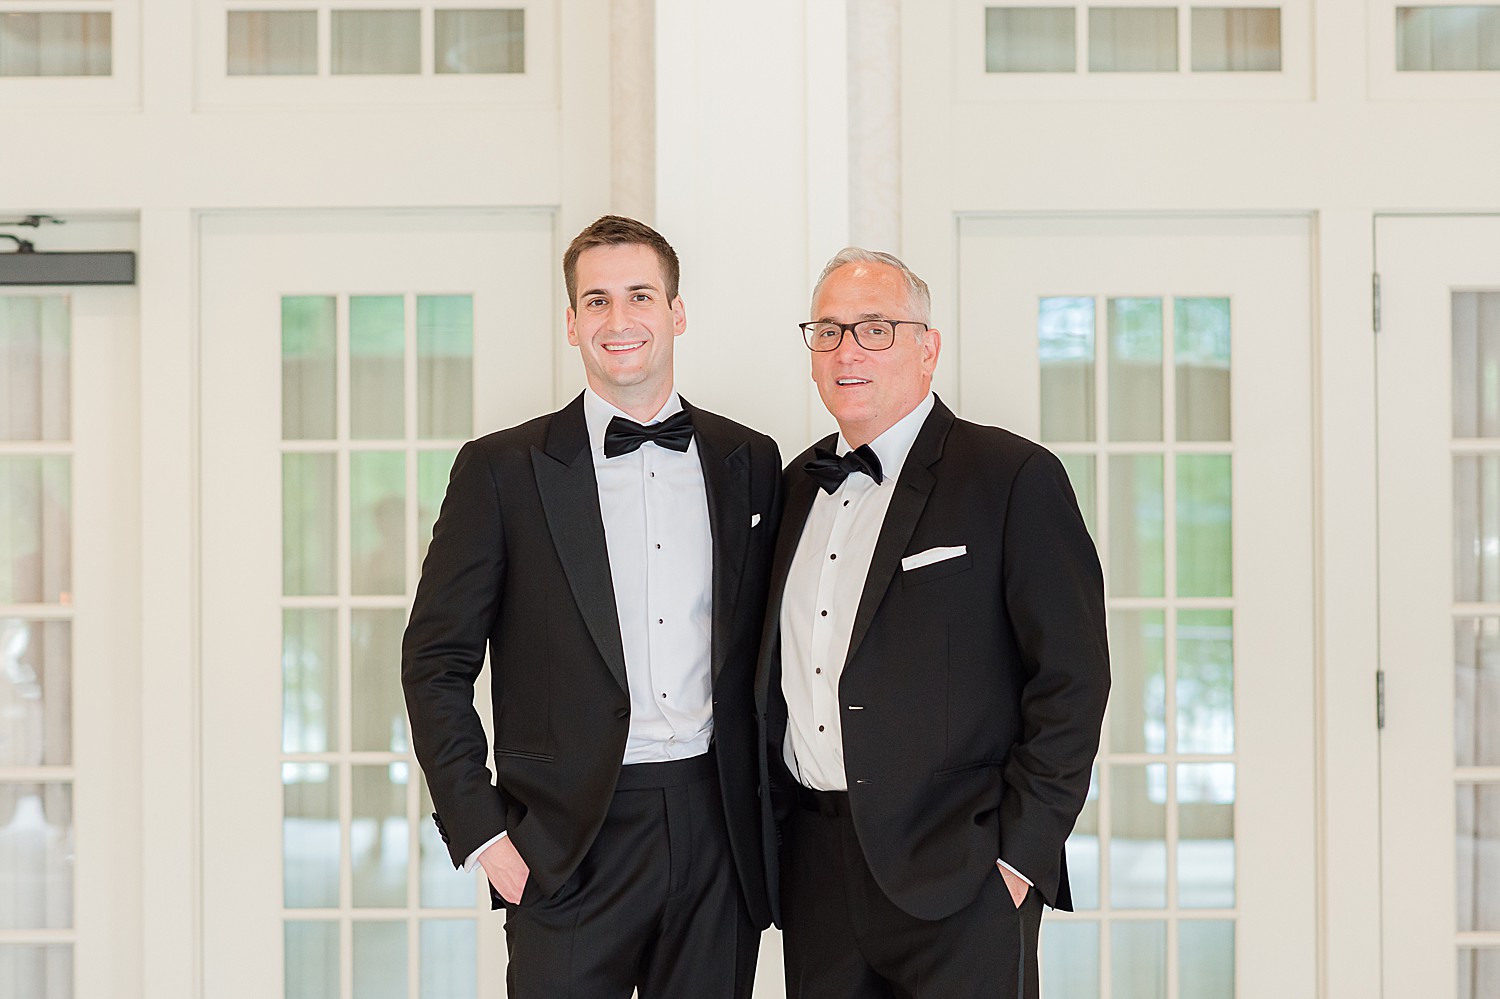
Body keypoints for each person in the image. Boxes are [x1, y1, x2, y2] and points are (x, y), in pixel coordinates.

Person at [403, 215, 781, 998]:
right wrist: (482, 832)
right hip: (564, 839)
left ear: (676, 312)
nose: (620, 319)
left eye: (640, 295)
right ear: (572, 323)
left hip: (716, 826)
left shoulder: (751, 459)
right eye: (597, 300)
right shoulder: (502, 470)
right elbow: (435, 660)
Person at [755, 247, 1110, 998]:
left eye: (875, 328)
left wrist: (1020, 857)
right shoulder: (791, 488)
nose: (848, 349)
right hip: (817, 872)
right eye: (828, 331)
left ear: (927, 346)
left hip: (964, 872)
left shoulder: (1013, 477)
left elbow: (1073, 680)